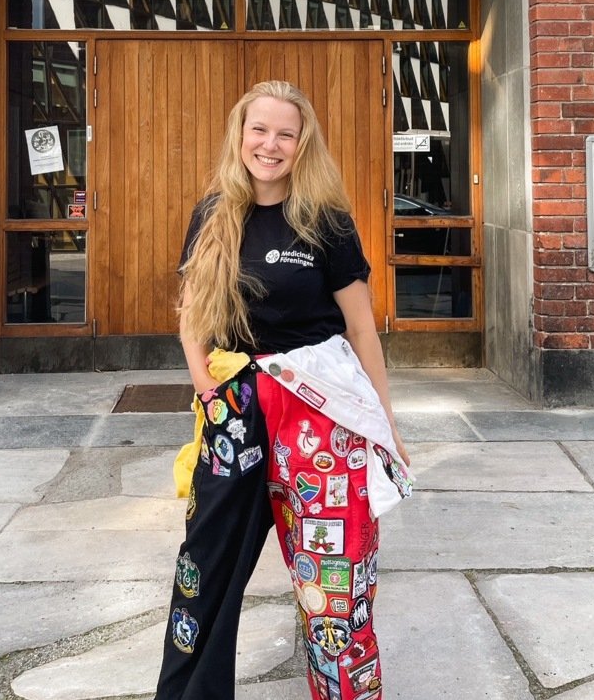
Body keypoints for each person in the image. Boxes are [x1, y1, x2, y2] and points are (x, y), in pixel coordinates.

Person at [155, 81, 412, 700]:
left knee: (333, 580)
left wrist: (386, 423)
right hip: (236, 407)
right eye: (259, 130)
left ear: (303, 145)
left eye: (285, 134)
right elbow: (191, 312)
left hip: (318, 410)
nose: (270, 145)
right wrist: (206, 392)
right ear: (240, 134)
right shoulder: (213, 213)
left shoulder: (325, 221)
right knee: (206, 569)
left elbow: (361, 328)